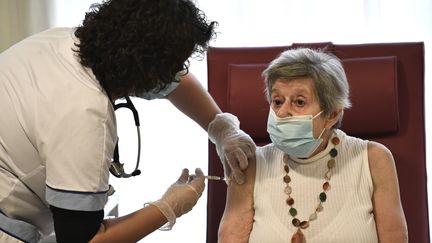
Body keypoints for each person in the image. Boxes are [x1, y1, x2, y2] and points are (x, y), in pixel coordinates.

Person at [0, 0, 255, 242]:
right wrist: (167, 208)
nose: (178, 74)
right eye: (176, 64)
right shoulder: (86, 116)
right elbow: (84, 240)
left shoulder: (69, 41)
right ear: (145, 69)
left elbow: (176, 82)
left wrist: (221, 127)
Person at [218, 48, 408, 243]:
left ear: (331, 115)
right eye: (277, 101)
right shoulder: (250, 165)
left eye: (299, 102)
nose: (282, 113)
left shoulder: (374, 160)